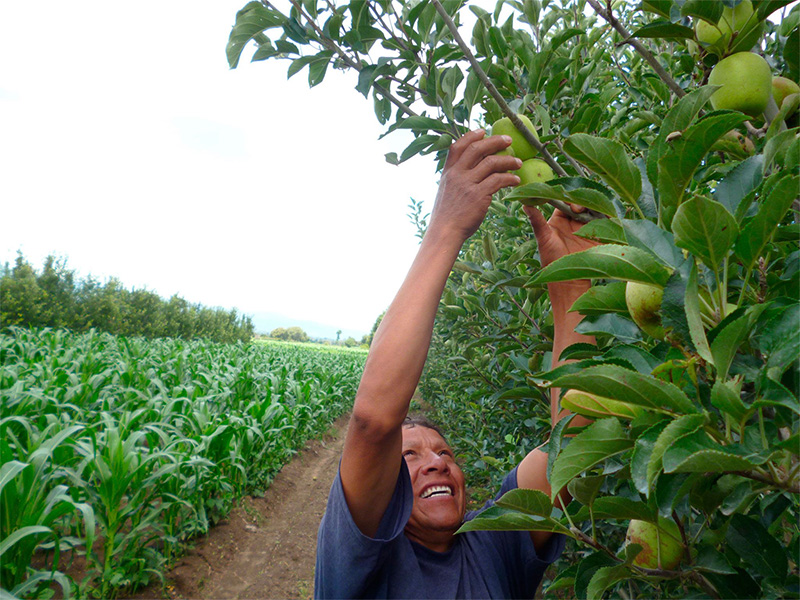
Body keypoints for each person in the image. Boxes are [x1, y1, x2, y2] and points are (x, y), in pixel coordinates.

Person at [314, 129, 595, 598]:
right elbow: (373, 421)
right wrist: (446, 227)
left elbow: (577, 446)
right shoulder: (360, 563)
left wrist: (571, 290)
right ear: (384, 489)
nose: (437, 464)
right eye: (411, 457)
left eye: (445, 454)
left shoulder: (495, 541)